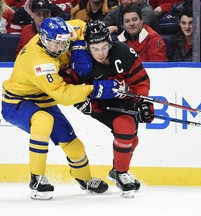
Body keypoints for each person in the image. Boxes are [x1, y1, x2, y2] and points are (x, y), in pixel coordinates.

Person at [1, 17, 119, 200]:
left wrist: (79, 45)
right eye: (55, 43)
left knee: (75, 146)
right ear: (43, 38)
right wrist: (96, 89)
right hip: (17, 102)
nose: (60, 48)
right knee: (43, 120)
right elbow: (63, 96)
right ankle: (37, 178)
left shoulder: (61, 32)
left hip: (44, 100)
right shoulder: (39, 61)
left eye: (63, 43)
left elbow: (82, 26)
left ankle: (85, 179)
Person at [63, 19, 154, 198]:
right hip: (100, 105)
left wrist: (144, 102)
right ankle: (121, 174)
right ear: (87, 46)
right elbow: (66, 86)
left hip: (125, 100)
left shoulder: (125, 53)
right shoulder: (81, 62)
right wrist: (81, 101)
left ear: (110, 43)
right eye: (95, 49)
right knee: (125, 126)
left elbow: (141, 81)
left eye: (104, 47)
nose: (100, 53)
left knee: (132, 139)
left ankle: (117, 171)